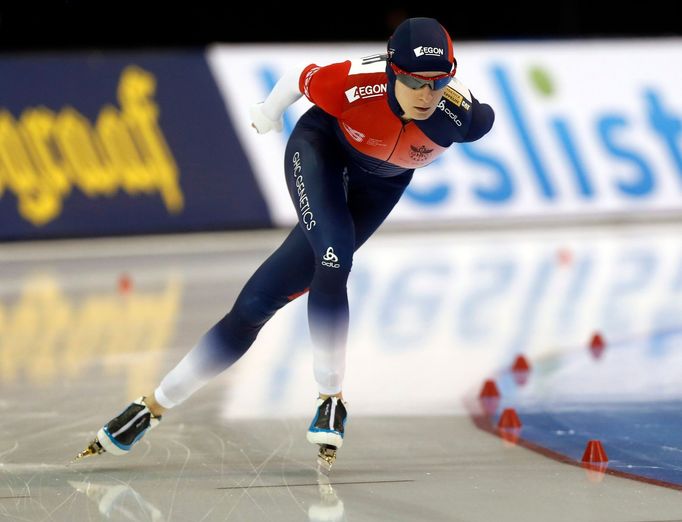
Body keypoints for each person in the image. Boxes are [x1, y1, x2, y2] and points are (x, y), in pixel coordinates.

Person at [75, 17, 495, 468]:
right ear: (393, 70)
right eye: (415, 80)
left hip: (381, 187)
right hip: (321, 152)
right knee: (334, 255)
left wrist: (456, 95)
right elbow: (298, 79)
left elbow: (481, 116)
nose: (427, 94)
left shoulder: (461, 116)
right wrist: (269, 112)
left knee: (256, 303)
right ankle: (331, 399)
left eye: (439, 82)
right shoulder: (354, 83)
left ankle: (150, 407)